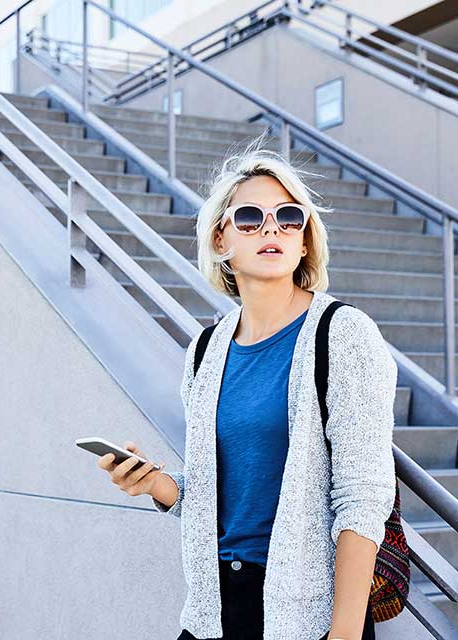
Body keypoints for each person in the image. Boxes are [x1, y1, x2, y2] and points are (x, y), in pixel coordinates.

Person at [97, 136, 397, 640]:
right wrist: (156, 485)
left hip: (306, 614)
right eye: (250, 218)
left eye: (288, 217)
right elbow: (214, 493)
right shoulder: (207, 348)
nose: (271, 229)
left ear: (304, 239)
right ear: (221, 240)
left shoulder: (342, 333)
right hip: (214, 609)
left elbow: (363, 494)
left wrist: (343, 632)